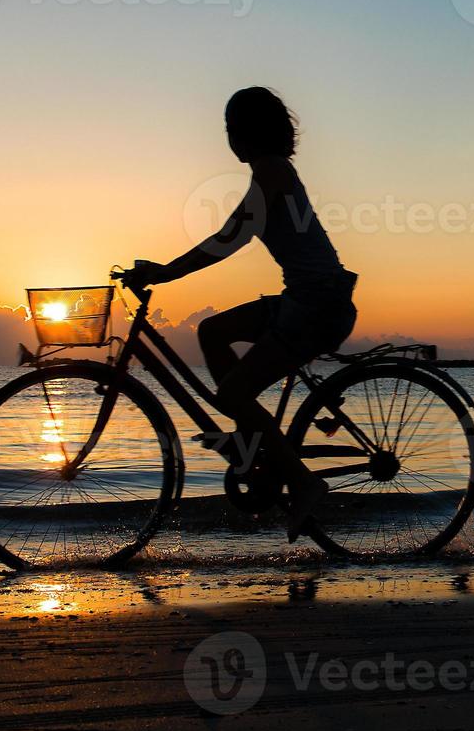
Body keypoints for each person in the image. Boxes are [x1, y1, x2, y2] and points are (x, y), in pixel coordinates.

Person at [120, 87, 358, 541]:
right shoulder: (269, 172)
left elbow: (231, 237)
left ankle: (304, 481)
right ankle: (252, 444)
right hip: (304, 300)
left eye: (232, 128)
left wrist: (165, 273)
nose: (229, 137)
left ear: (246, 134)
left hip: (317, 307)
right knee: (212, 331)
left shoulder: (271, 172)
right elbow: (236, 234)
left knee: (231, 395)